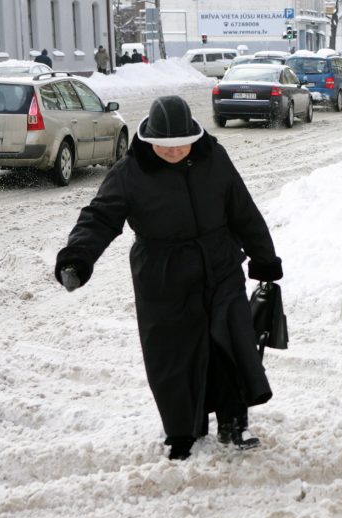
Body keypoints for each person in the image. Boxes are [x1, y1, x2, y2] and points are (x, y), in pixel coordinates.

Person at [55, 96, 283, 461]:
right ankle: (182, 431)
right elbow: (99, 219)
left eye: (181, 144)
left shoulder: (214, 158)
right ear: (150, 141)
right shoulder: (130, 172)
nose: (175, 152)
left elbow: (243, 210)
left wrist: (265, 259)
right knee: (173, 358)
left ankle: (234, 422)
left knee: (230, 347)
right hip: (163, 277)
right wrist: (76, 259)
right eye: (166, 146)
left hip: (219, 267)